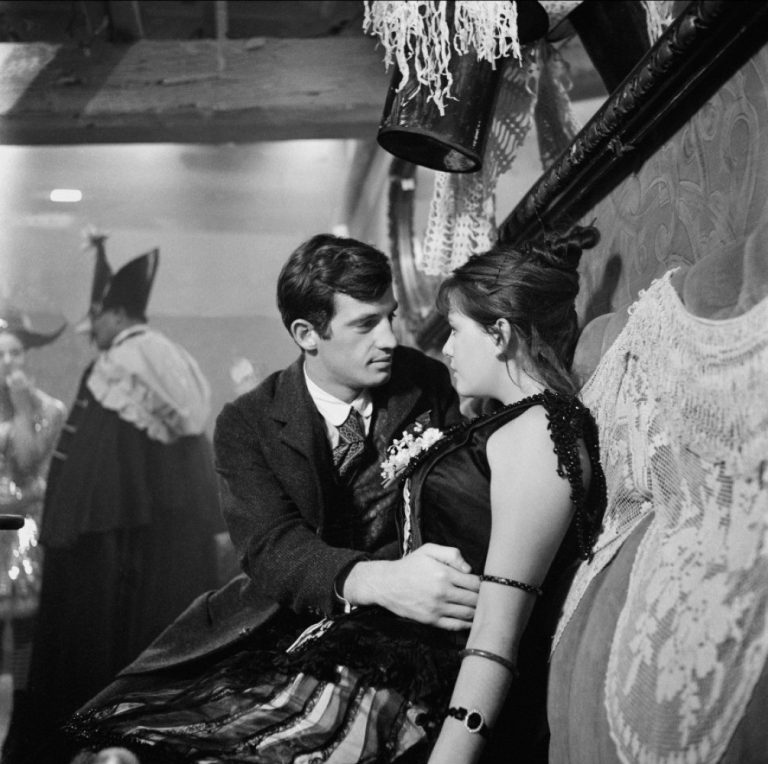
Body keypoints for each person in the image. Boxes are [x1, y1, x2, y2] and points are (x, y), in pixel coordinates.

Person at [65, 226, 607, 763]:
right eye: (366, 324)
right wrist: (379, 580)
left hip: (411, 640)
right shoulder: (247, 422)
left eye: (390, 316)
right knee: (118, 733)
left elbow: (473, 501)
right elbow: (271, 546)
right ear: (307, 334)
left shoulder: (429, 382)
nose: (390, 339)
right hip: (275, 619)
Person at [1, 235, 222, 762]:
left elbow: (97, 475)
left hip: (117, 546)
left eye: (96, 317)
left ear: (116, 313)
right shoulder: (168, 357)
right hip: (167, 537)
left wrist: (69, 532)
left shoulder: (119, 366)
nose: (91, 329)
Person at [0, 307, 66, 726]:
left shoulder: (49, 409)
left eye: (16, 353)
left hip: (24, 530)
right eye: (0, 354)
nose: (8, 362)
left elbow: (26, 464)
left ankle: (22, 723)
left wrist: (22, 408)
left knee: (26, 628)